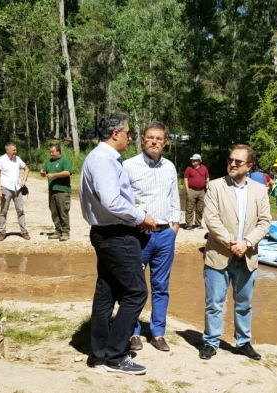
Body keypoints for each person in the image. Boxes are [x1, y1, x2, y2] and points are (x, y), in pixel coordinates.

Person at [80, 112, 153, 375]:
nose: (130, 137)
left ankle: (100, 353)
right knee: (136, 293)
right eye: (128, 132)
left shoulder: (102, 158)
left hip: (108, 233)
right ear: (115, 134)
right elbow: (112, 201)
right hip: (116, 234)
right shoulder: (102, 159)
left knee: (107, 292)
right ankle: (115, 356)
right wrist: (141, 216)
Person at [200, 144, 271, 361]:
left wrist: (247, 243)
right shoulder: (215, 186)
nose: (232, 164)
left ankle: (243, 342)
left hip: (247, 256)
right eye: (230, 160)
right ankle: (211, 342)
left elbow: (265, 221)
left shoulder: (260, 190)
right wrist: (232, 243)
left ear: (249, 166)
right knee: (214, 303)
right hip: (219, 254)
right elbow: (210, 219)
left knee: (244, 304)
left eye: (237, 162)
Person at [124, 121, 181, 353]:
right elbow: (122, 200)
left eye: (159, 138)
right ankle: (133, 332)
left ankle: (158, 333)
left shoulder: (170, 167)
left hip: (165, 235)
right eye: (150, 138)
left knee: (161, 286)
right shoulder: (128, 166)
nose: (154, 141)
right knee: (133, 286)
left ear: (165, 142)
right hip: (139, 235)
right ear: (142, 140)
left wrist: (175, 227)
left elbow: (174, 197)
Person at [0, 142, 30, 241]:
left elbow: (26, 169)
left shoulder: (17, 159)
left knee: (21, 210)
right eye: (14, 150)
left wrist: (24, 180)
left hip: (17, 188)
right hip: (6, 188)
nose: (15, 151)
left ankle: (24, 232)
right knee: (4, 211)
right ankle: (2, 232)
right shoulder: (0, 160)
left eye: (16, 150)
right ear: (7, 150)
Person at [40, 144, 72, 241]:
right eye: (50, 152)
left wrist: (54, 175)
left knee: (63, 212)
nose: (51, 154)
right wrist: (42, 173)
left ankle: (65, 232)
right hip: (52, 191)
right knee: (54, 212)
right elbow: (44, 173)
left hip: (62, 191)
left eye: (53, 152)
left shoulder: (64, 161)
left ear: (58, 152)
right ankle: (58, 231)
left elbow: (67, 172)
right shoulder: (48, 162)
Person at [184, 154, 209, 230]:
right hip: (192, 190)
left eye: (195, 160)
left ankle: (198, 224)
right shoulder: (189, 169)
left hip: (201, 191)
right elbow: (185, 179)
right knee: (189, 208)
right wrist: (187, 190)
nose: (193, 162)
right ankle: (188, 224)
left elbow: (207, 177)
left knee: (200, 208)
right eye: (192, 160)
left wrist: (207, 186)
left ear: (199, 161)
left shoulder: (204, 168)